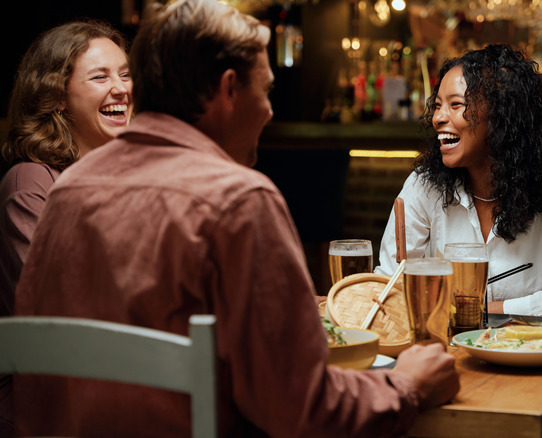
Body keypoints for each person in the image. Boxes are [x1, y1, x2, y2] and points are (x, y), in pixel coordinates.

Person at [12, 0, 459, 436]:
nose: (268, 111)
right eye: (265, 91)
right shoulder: (239, 199)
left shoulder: (70, 189)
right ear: (229, 89)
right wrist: (406, 385)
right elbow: (299, 410)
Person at [375, 44, 542, 317]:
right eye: (437, 106)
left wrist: (470, 312)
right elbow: (389, 287)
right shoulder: (423, 188)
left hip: (529, 356)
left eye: (456, 105)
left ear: (501, 116)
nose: (438, 117)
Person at [0, 19, 132, 436]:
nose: (122, 88)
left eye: (125, 74)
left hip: (128, 379)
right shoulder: (31, 183)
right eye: (100, 76)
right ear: (56, 97)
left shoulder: (128, 174)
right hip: (49, 400)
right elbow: (63, 315)